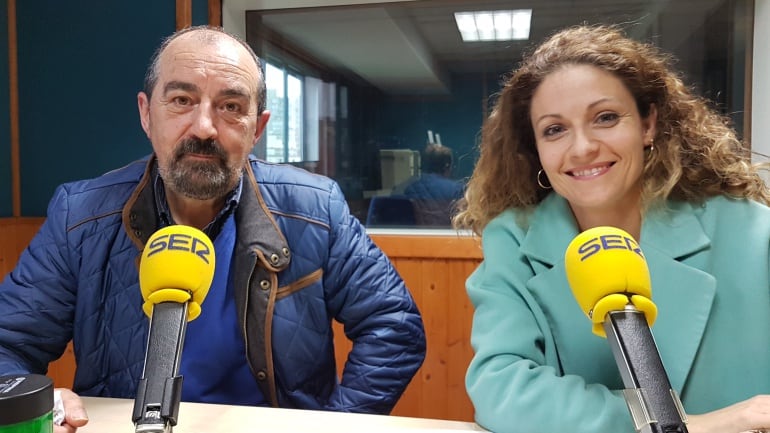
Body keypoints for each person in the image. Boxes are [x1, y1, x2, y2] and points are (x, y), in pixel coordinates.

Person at [0, 25, 426, 432]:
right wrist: (44, 405)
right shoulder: (80, 216)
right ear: (147, 115)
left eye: (231, 107)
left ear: (257, 128)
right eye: (182, 100)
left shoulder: (316, 209)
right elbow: (8, 344)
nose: (204, 128)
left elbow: (394, 325)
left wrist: (336, 425)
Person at [453, 24, 770, 433]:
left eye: (605, 118)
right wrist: (680, 425)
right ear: (536, 149)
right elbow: (501, 389)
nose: (582, 146)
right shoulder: (513, 240)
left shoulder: (750, 231)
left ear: (648, 124)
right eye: (555, 129)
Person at [399, 143, 464, 226]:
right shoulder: (456, 188)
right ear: (447, 166)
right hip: (448, 236)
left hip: (417, 235)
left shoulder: (408, 188)